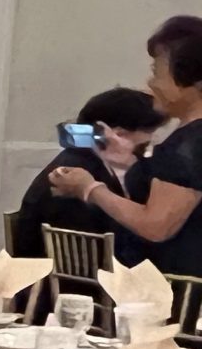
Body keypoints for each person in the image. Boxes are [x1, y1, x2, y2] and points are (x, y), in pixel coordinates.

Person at [49, 23, 202, 274]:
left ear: (192, 82)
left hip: (177, 284)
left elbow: (156, 226)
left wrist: (90, 189)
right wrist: (129, 162)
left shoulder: (188, 145)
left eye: (158, 73)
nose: (151, 83)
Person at [15, 87, 167, 258]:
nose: (152, 143)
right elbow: (103, 246)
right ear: (117, 134)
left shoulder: (88, 161)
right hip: (65, 271)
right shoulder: (72, 176)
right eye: (147, 138)